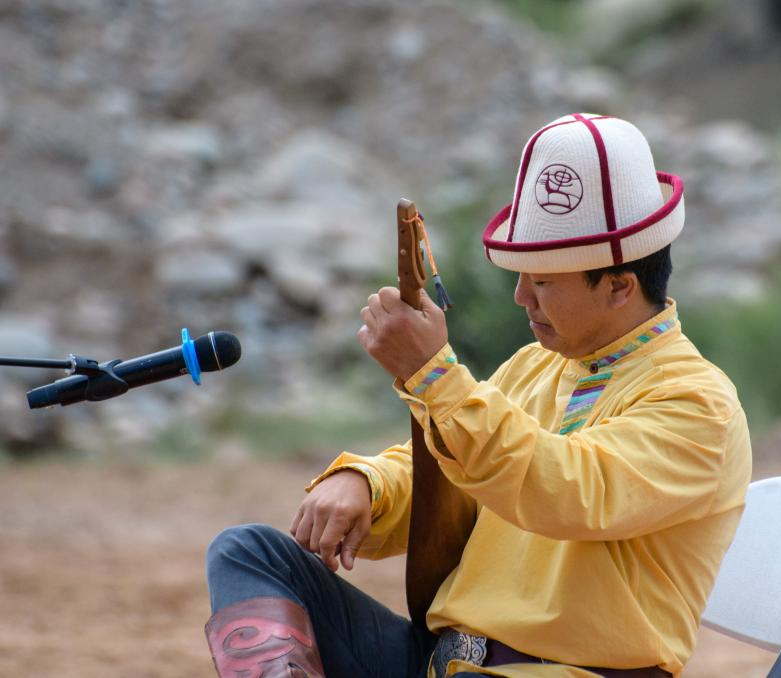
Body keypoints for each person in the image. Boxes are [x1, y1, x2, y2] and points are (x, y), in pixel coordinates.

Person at [204, 113, 752, 677]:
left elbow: (565, 488)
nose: (521, 297)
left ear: (619, 286)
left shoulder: (697, 403)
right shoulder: (533, 366)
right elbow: (451, 475)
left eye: (542, 281)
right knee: (247, 552)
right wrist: (368, 483)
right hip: (438, 664)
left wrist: (433, 376)